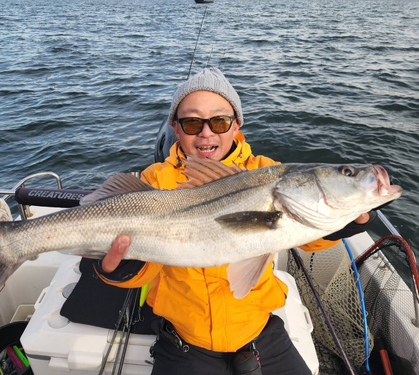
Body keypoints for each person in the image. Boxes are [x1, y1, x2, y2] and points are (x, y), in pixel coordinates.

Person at [93, 67, 373, 375]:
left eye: (219, 121)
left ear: (236, 125)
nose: (206, 132)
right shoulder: (156, 180)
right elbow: (148, 265)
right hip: (185, 339)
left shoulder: (266, 171)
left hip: (258, 331)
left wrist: (347, 222)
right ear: (175, 127)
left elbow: (301, 234)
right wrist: (121, 267)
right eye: (191, 122)